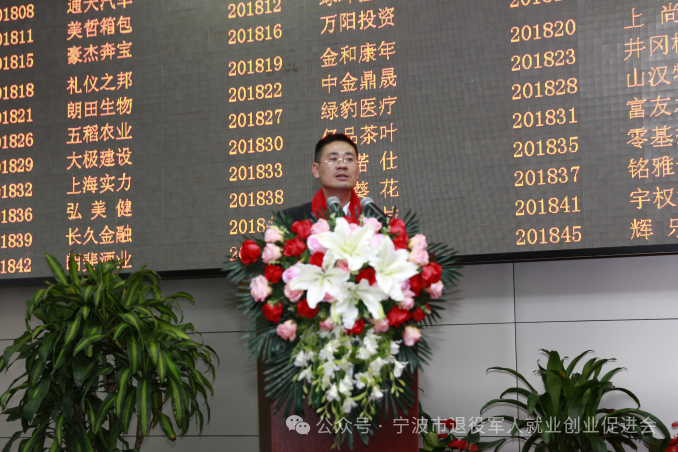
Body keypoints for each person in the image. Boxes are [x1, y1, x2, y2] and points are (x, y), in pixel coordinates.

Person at [283, 133, 362, 222]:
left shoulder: (373, 219)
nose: (342, 165)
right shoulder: (289, 219)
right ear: (316, 170)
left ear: (358, 171)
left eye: (349, 159)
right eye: (333, 159)